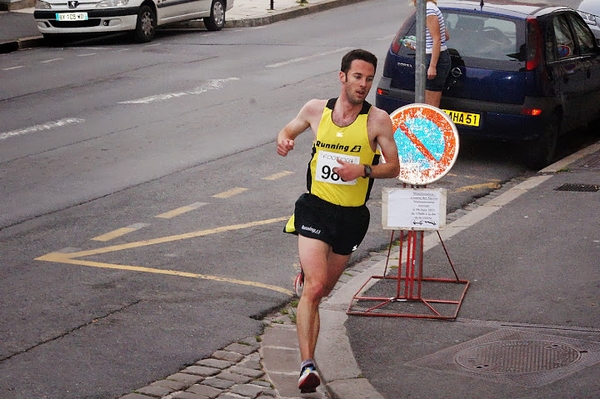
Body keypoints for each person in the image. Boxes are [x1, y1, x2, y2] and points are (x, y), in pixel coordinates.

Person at [276, 49, 400, 393]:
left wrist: (362, 169)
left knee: (323, 290)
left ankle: (306, 275)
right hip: (315, 208)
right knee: (315, 289)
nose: (363, 85)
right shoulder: (316, 110)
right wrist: (284, 141)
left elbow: (394, 166)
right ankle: (306, 365)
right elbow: (288, 130)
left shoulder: (377, 120)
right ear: (342, 76)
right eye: (358, 77)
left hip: (351, 217)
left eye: (369, 79)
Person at [412, 0, 451, 107]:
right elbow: (445, 36)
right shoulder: (431, 7)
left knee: (431, 105)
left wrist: (433, 66)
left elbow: (437, 39)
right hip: (433, 56)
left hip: (435, 59)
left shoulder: (428, 9)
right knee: (428, 103)